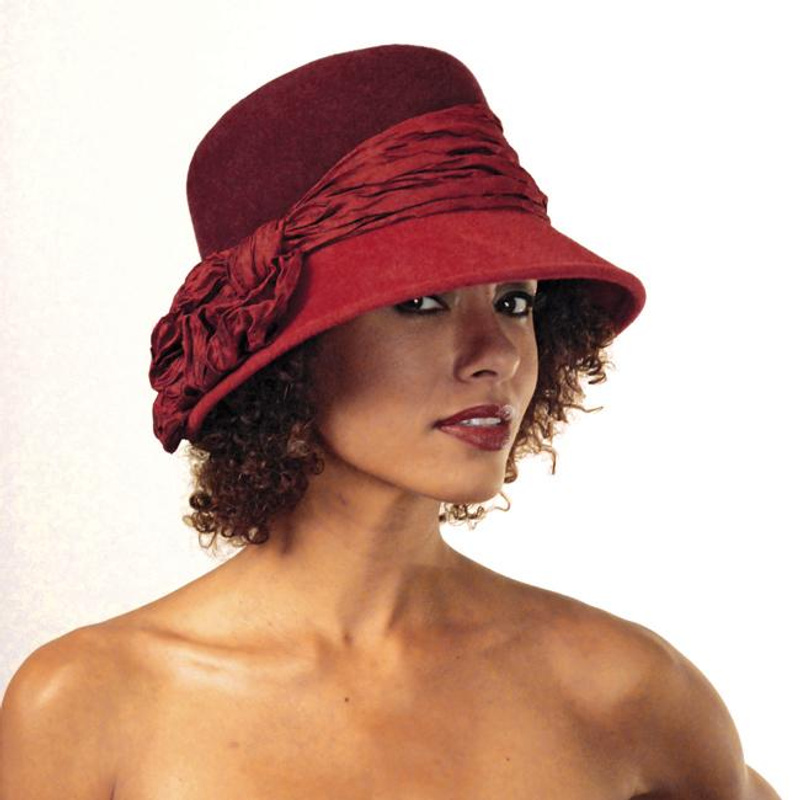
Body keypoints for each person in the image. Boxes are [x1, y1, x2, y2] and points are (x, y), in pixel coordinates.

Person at [0, 43, 781, 799]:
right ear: (285, 354)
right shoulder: (87, 707)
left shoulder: (626, 692)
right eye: (421, 302)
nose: (497, 354)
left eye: (515, 302)